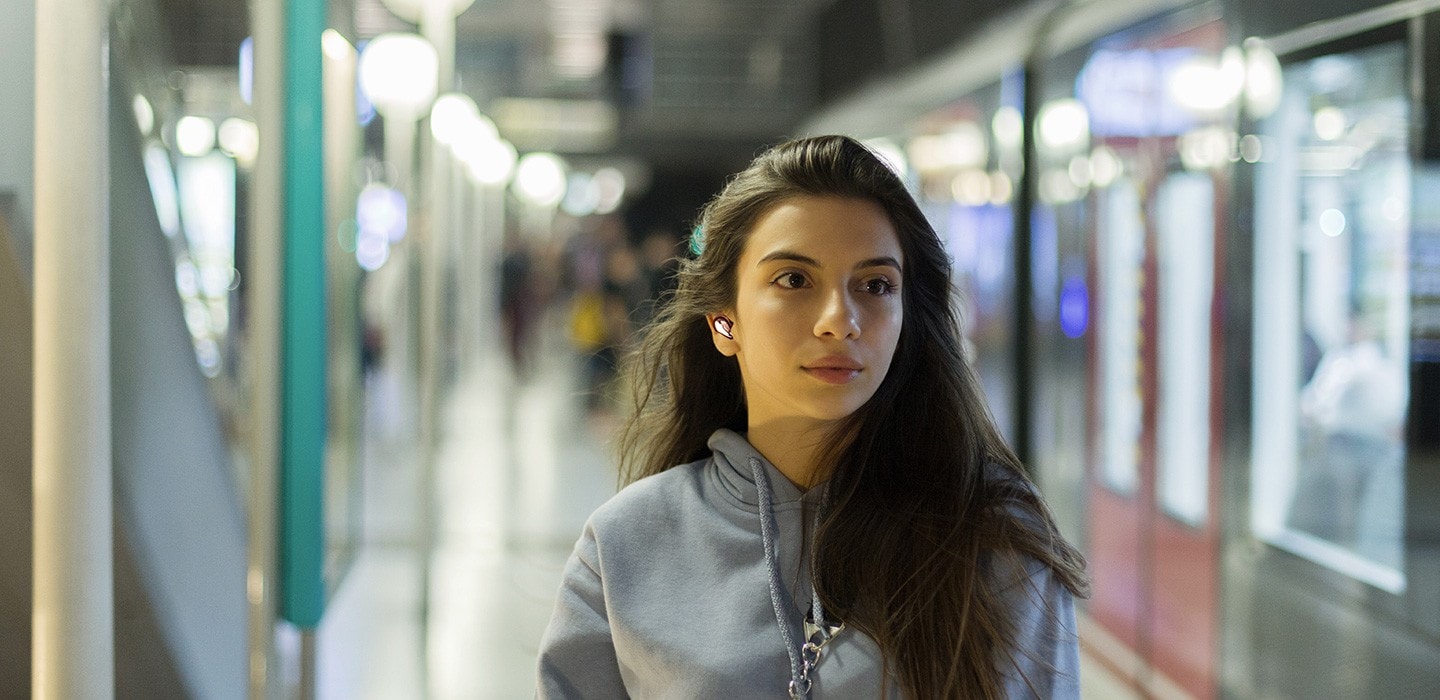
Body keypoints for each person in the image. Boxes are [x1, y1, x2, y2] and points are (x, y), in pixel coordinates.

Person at [536, 135, 1090, 698]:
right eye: (794, 280)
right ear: (724, 321)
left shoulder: (995, 544)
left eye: (875, 285)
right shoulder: (625, 548)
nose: (838, 321)